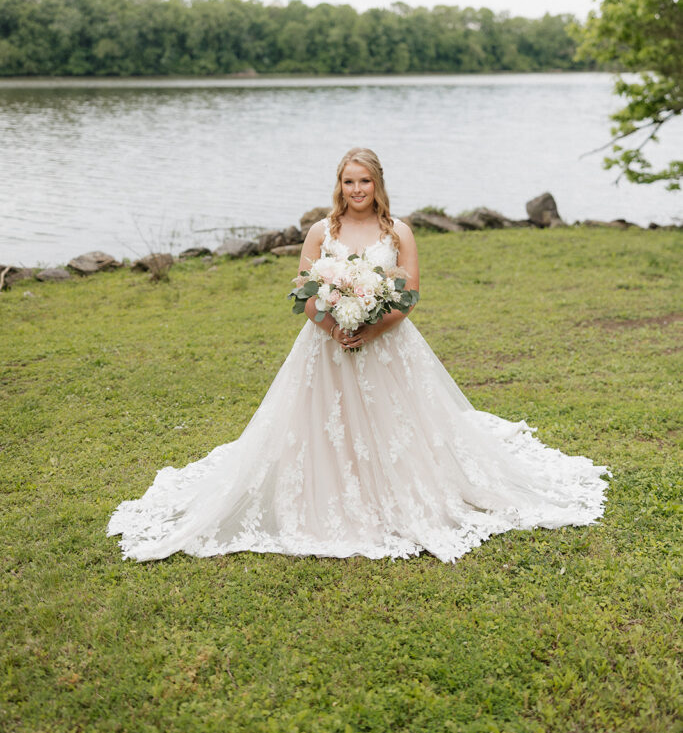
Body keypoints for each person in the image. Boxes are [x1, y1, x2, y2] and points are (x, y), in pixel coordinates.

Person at [107, 147, 611, 563]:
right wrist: (333, 326)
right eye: (348, 181)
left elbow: (409, 295)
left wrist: (370, 330)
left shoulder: (400, 233)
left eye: (364, 181)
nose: (356, 190)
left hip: (387, 346)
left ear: (378, 185)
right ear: (339, 185)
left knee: (399, 429)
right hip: (325, 348)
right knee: (321, 426)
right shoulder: (321, 233)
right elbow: (305, 293)